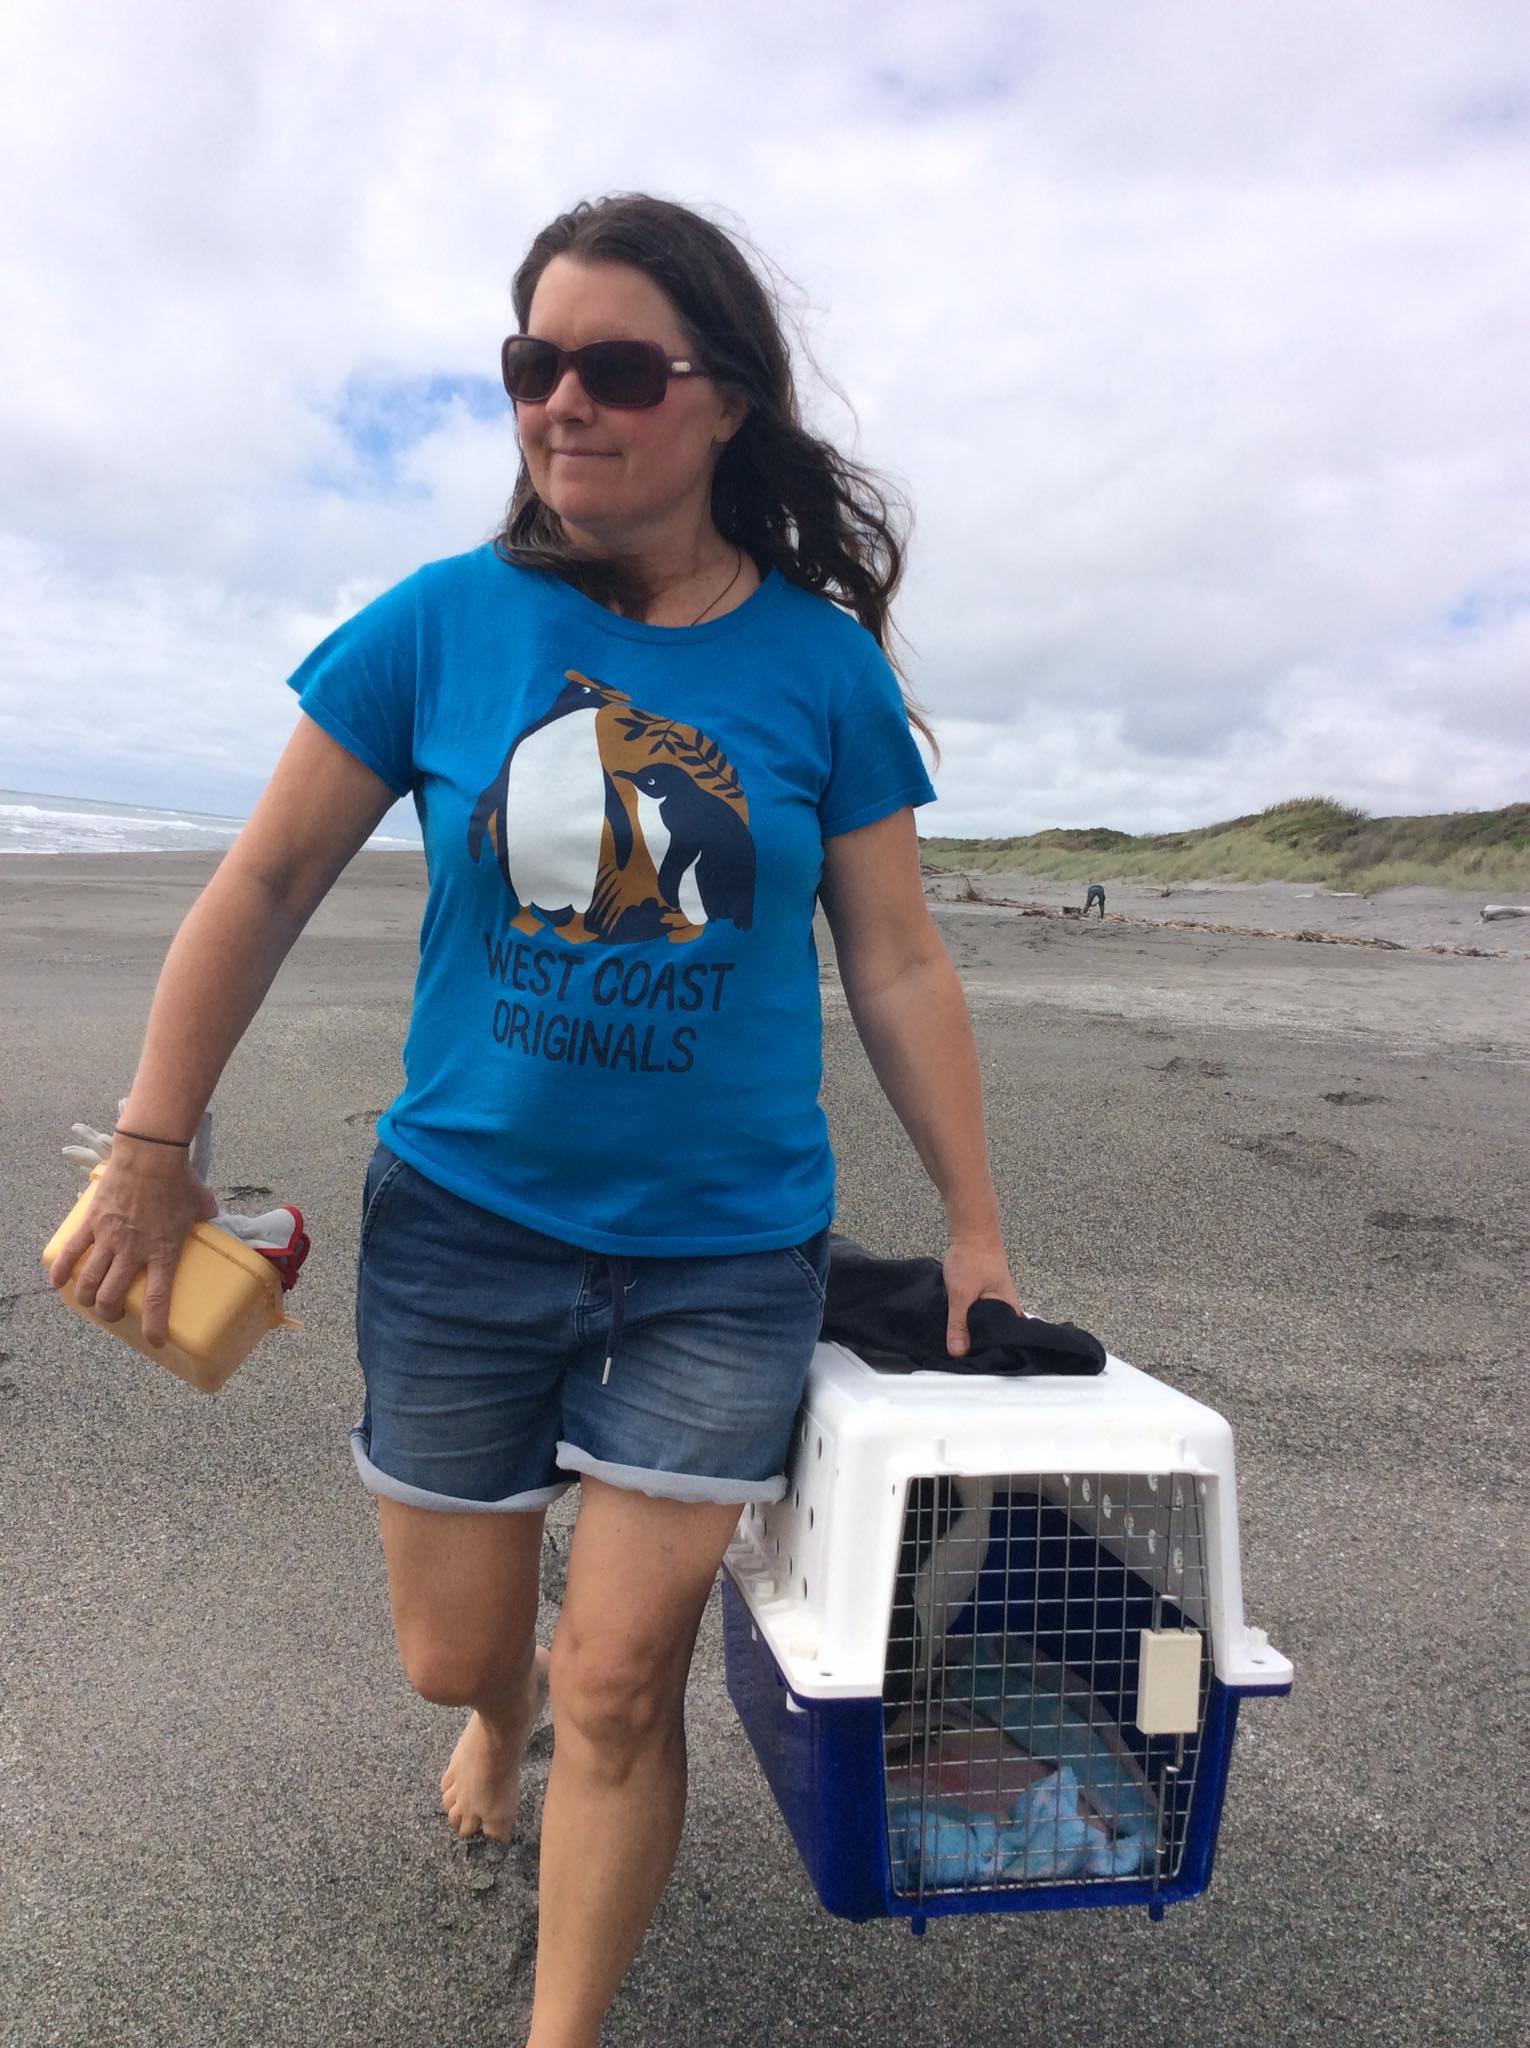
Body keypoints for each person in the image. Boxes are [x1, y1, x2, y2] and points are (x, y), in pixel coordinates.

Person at [47, 194, 1022, 2048]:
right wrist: (157, 1144)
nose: (563, 404)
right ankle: (501, 1715)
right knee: (455, 1661)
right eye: (532, 366)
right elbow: (257, 884)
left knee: (626, 1677)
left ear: (723, 399)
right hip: (465, 1227)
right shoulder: (440, 624)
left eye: (616, 368)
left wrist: (975, 1232)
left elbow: (895, 966)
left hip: (725, 1256)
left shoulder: (818, 668)